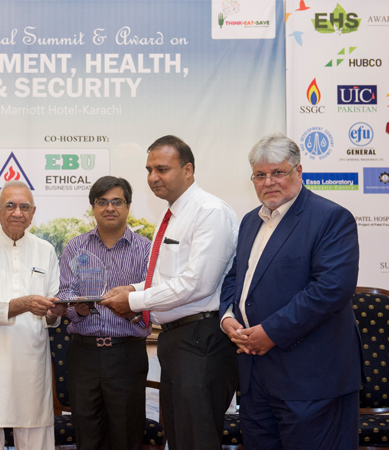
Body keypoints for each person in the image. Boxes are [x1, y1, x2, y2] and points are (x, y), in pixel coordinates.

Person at [219, 133, 361, 449]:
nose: (268, 182)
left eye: (278, 172)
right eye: (260, 175)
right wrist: (228, 318)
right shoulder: (250, 221)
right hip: (255, 378)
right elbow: (235, 279)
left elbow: (330, 289)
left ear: (298, 171)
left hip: (311, 380)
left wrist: (270, 332)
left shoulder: (330, 218)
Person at [99, 135, 239, 450]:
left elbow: (197, 284)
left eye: (162, 169)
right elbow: (167, 279)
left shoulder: (209, 212)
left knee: (197, 440)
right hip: (178, 341)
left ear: (188, 170)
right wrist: (133, 289)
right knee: (180, 439)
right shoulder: (174, 215)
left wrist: (133, 301)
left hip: (202, 340)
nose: (153, 177)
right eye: (149, 170)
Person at [0, 180, 67, 450]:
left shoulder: (46, 250)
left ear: (33, 213)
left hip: (31, 359)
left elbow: (52, 312)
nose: (17, 213)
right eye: (10, 206)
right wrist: (26, 303)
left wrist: (54, 313)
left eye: (24, 207)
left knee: (35, 434)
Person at [58, 176, 152, 450]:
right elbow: (65, 293)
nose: (110, 208)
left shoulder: (146, 249)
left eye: (117, 202)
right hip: (83, 354)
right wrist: (78, 310)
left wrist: (131, 310)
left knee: (127, 435)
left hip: (126, 353)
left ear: (128, 206)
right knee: (87, 436)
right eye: (102, 202)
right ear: (93, 207)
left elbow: (155, 297)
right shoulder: (75, 246)